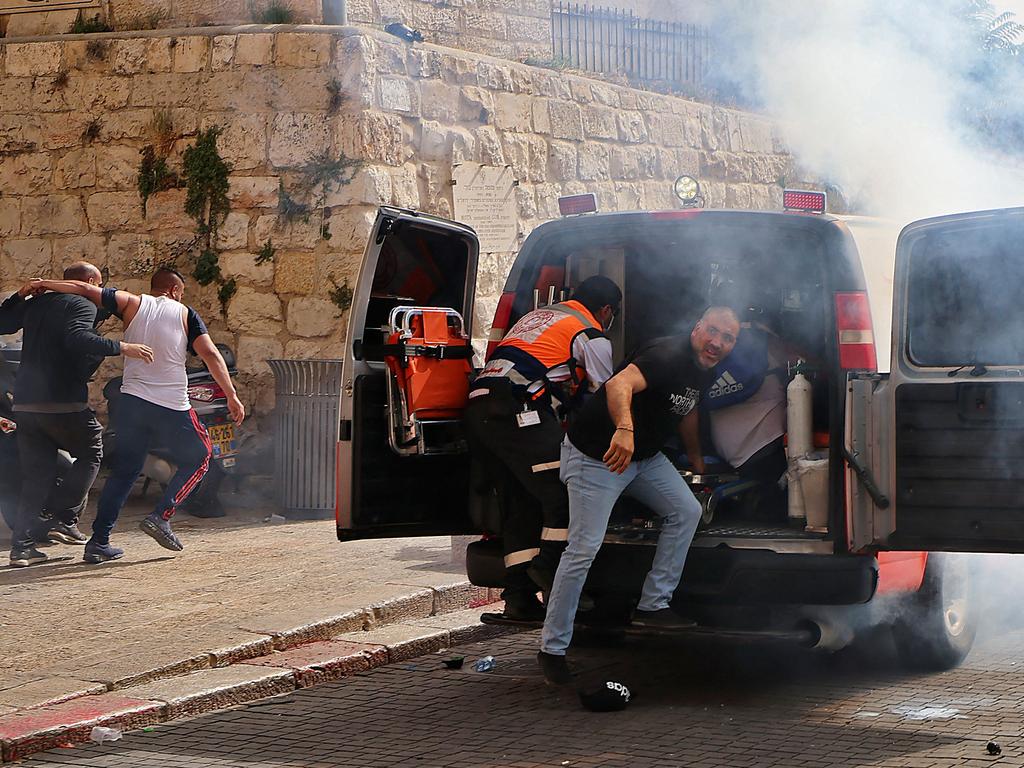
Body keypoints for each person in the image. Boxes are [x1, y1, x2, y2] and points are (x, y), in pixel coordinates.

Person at [537, 306, 741, 684]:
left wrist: (697, 461)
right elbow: (618, 385)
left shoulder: (703, 368)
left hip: (644, 460)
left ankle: (653, 604)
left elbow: (687, 410)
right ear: (697, 327)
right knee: (583, 549)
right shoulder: (667, 355)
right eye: (712, 331)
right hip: (596, 457)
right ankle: (552, 648)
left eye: (728, 338)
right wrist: (625, 430)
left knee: (685, 511)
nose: (717, 342)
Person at [31, 267, 244, 562]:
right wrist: (231, 394)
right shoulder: (186, 313)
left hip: (132, 403)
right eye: (180, 292)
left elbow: (83, 288)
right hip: (171, 404)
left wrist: (44, 283)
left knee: (124, 473)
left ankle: (99, 542)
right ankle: (162, 516)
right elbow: (210, 355)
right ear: (174, 290)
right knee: (201, 455)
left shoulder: (130, 302)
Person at [464, 276, 621, 621]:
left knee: (522, 502)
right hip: (518, 411)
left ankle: (518, 598)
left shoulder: (540, 316)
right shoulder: (590, 332)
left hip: (482, 411)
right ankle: (549, 570)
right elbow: (605, 395)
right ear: (606, 310)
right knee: (565, 492)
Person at [0, 262, 154, 567]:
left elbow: (2, 323)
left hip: (26, 403)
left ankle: (22, 548)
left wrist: (19, 296)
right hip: (63, 401)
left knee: (36, 476)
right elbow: (77, 338)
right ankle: (64, 516)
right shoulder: (82, 304)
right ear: (92, 282)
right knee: (92, 451)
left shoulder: (36, 303)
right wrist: (123, 346)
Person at [704, 317, 788, 517]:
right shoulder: (761, 343)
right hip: (764, 451)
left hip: (729, 451)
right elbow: (799, 360)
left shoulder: (713, 347)